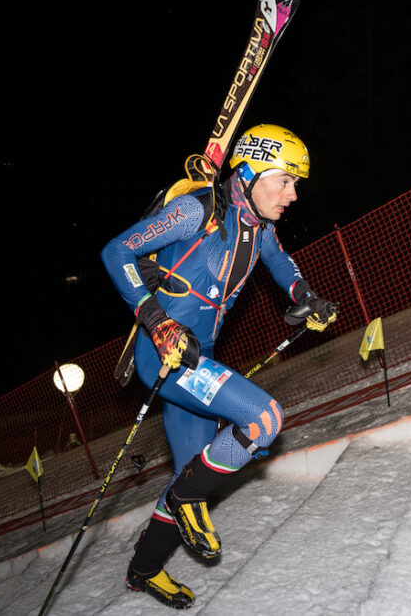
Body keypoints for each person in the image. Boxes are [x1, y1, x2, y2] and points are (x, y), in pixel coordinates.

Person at [101, 124, 337, 609]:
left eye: (297, 184)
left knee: (193, 471)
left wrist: (305, 297)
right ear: (249, 173)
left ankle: (143, 570)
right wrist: (156, 322)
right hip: (163, 354)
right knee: (263, 419)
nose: (292, 194)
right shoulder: (197, 212)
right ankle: (188, 498)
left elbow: (282, 266)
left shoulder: (260, 230)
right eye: (285, 181)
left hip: (196, 357)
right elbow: (116, 252)